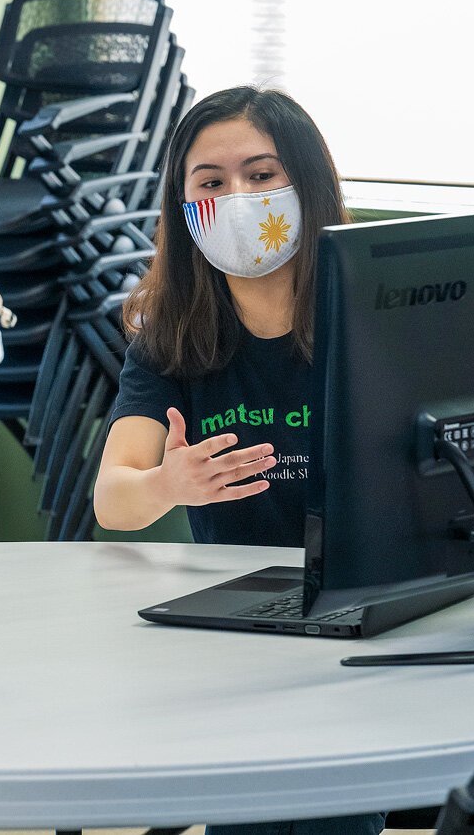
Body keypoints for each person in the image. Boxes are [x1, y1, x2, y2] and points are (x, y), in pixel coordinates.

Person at [93, 86, 380, 835]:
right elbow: (114, 499)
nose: (238, 198)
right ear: (184, 204)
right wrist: (167, 482)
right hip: (237, 621)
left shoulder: (374, 313)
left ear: (308, 185)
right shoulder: (171, 332)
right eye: (211, 182)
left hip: (363, 613)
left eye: (261, 174)